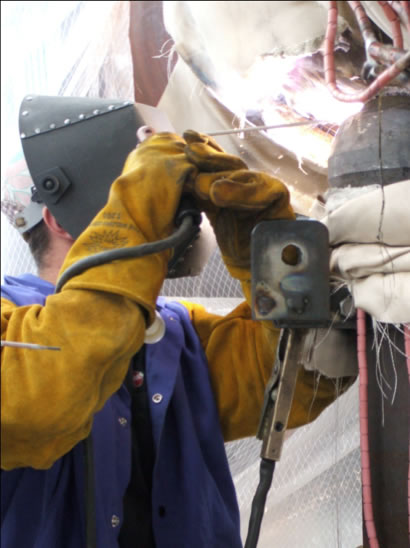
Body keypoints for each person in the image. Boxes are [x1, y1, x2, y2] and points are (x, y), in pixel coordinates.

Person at [1, 95, 353, 548]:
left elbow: (297, 377)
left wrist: (268, 253)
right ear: (59, 219)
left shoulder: (177, 334)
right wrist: (137, 212)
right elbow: (42, 401)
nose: (169, 200)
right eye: (139, 187)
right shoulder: (13, 324)